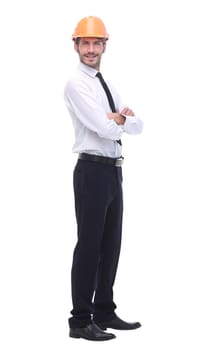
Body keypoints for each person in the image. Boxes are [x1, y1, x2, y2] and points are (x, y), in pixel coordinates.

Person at [64, 16, 143, 341]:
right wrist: (118, 120)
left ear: (104, 46)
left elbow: (138, 126)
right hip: (92, 171)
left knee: (111, 245)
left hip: (113, 171)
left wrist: (118, 119)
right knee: (90, 246)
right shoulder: (76, 84)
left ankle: (104, 311)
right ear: (76, 45)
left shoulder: (106, 84)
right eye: (86, 43)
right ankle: (80, 320)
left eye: (97, 43)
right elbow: (104, 128)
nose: (92, 49)